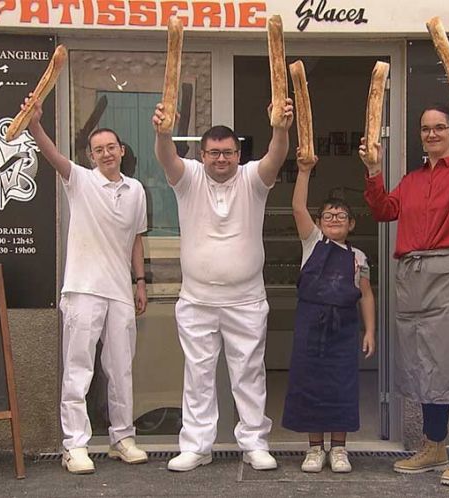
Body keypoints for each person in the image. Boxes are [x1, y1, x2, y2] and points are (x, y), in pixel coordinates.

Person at [358, 84, 449, 487]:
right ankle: (434, 444)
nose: (432, 134)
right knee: (425, 362)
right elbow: (384, 210)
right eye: (426, 129)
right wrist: (373, 171)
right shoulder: (413, 180)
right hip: (415, 279)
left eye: (440, 127)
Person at [152, 98, 294, 472]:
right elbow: (166, 157)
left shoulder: (253, 178)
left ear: (238, 153)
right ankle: (197, 445)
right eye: (213, 153)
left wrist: (280, 128)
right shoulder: (188, 178)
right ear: (202, 155)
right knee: (197, 374)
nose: (221, 159)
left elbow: (276, 156)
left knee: (248, 372)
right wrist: (163, 132)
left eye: (228, 153)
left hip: (246, 299)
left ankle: (254, 443)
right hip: (197, 299)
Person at [24, 95, 149, 474]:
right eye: (99, 149)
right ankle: (75, 445)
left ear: (122, 151)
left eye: (111, 147)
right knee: (78, 369)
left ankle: (122, 438)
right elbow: (53, 156)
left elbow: (136, 239)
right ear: (91, 155)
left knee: (121, 368)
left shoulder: (137, 190)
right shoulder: (79, 180)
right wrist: (34, 125)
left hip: (119, 292)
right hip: (81, 290)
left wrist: (139, 282)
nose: (106, 153)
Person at [282, 150, 376, 474]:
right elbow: (297, 207)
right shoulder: (312, 243)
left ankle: (339, 449)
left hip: (344, 328)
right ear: (319, 222)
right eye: (327, 216)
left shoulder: (359, 257)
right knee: (310, 386)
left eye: (340, 216)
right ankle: (313, 449)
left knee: (341, 387)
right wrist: (304, 171)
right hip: (310, 325)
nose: (334, 219)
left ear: (351, 223)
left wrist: (370, 331)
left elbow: (365, 295)